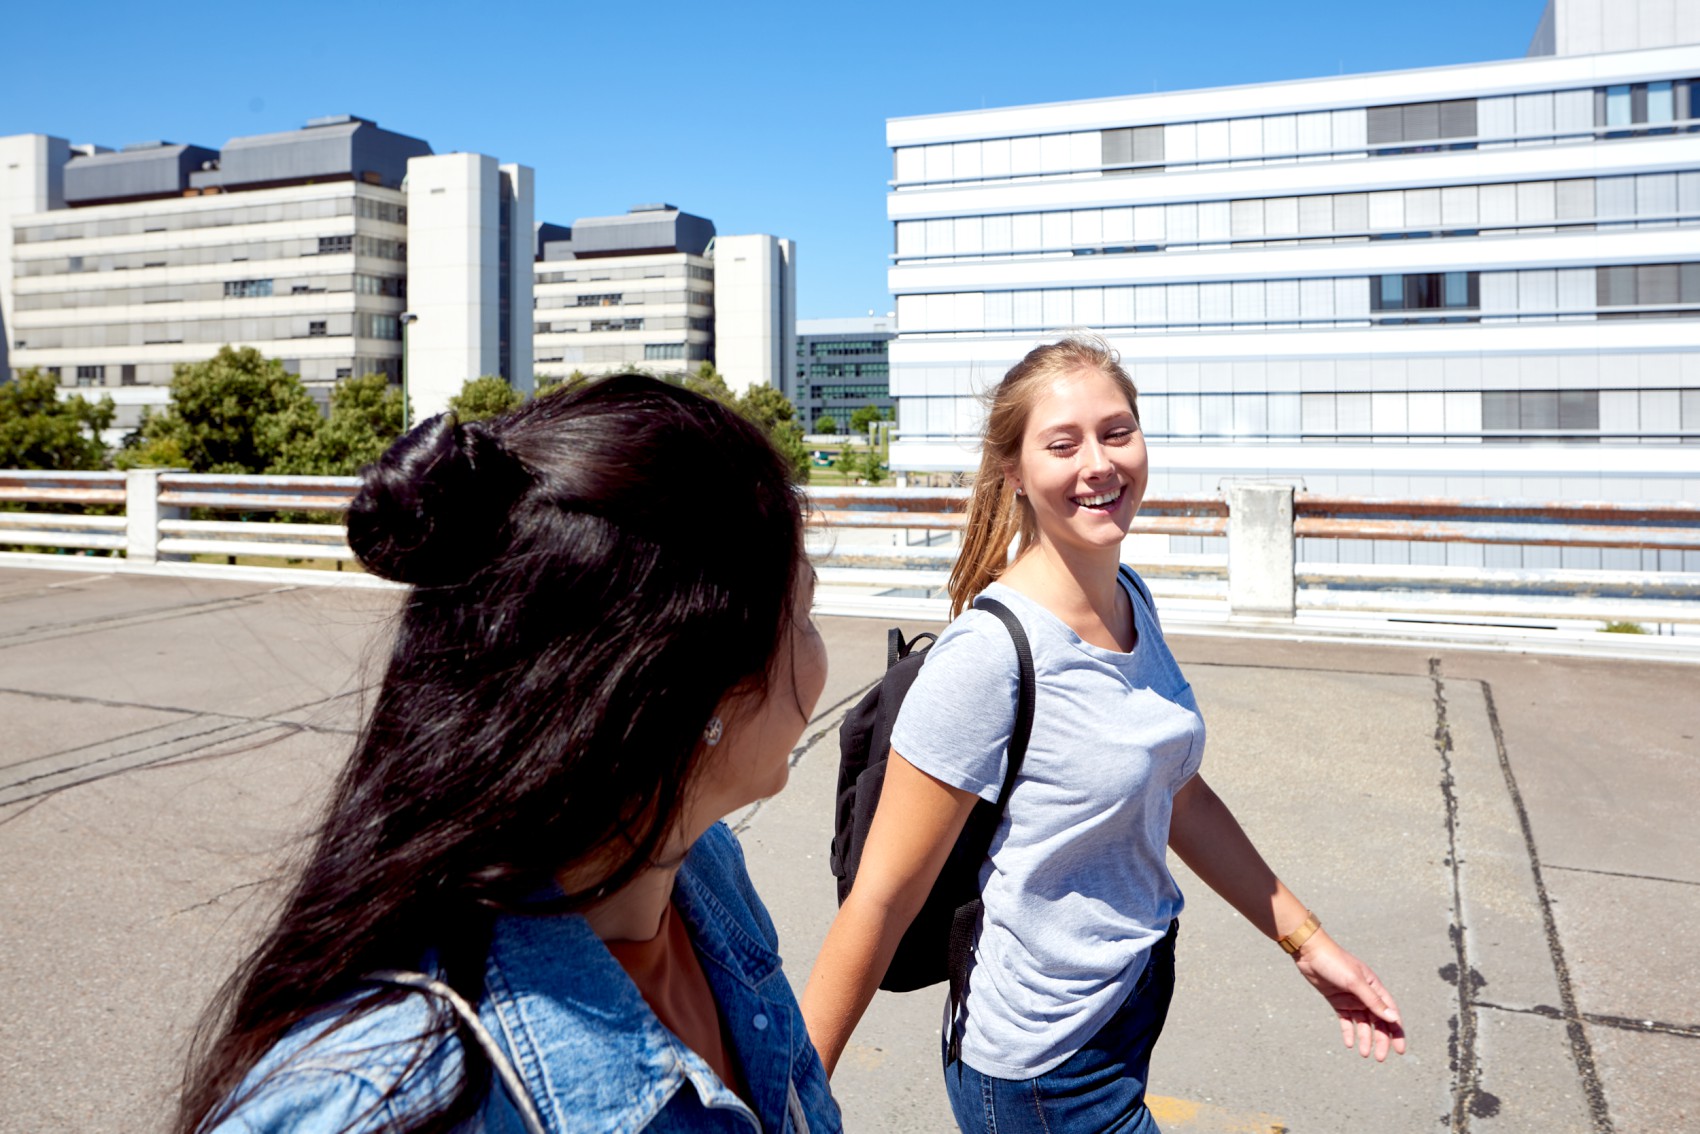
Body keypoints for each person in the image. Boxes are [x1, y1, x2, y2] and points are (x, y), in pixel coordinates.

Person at [177, 375, 842, 1134]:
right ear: (693, 690)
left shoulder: (702, 871)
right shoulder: (381, 1104)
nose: (819, 657)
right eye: (805, 613)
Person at [800, 337, 1404, 1133]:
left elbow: (1173, 789)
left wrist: (1306, 941)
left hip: (1121, 1011)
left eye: (1117, 433)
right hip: (1045, 1072)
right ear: (1014, 471)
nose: (1099, 463)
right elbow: (880, 899)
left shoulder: (1130, 596)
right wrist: (792, 1098)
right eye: (1063, 443)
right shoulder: (988, 657)